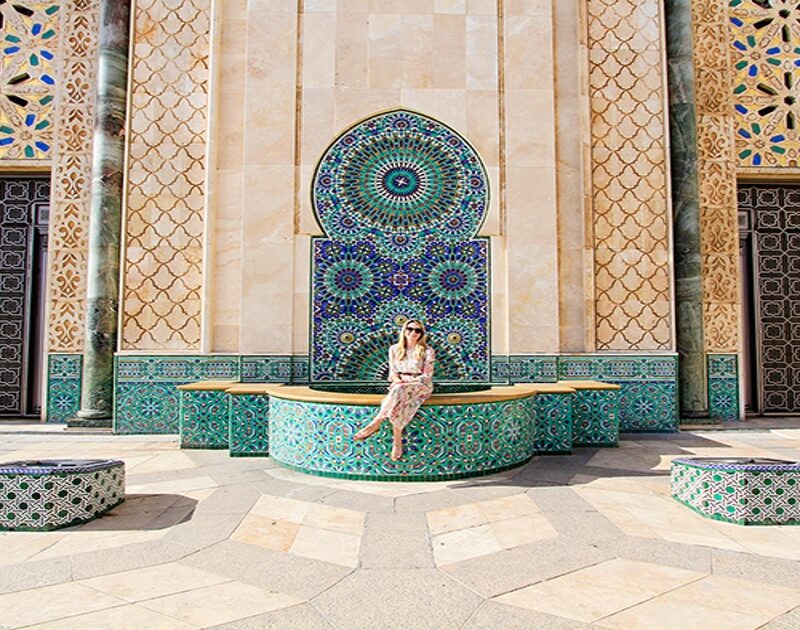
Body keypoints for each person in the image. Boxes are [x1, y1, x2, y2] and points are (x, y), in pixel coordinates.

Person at [354, 319, 435, 461]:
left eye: (418, 330)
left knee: (399, 390)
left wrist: (408, 382)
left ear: (422, 334)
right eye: (410, 329)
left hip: (420, 386)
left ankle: (376, 423)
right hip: (400, 385)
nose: (413, 333)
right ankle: (397, 441)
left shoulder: (427, 351)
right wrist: (398, 381)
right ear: (404, 330)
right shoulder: (394, 349)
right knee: (401, 397)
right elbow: (392, 373)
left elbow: (427, 376)